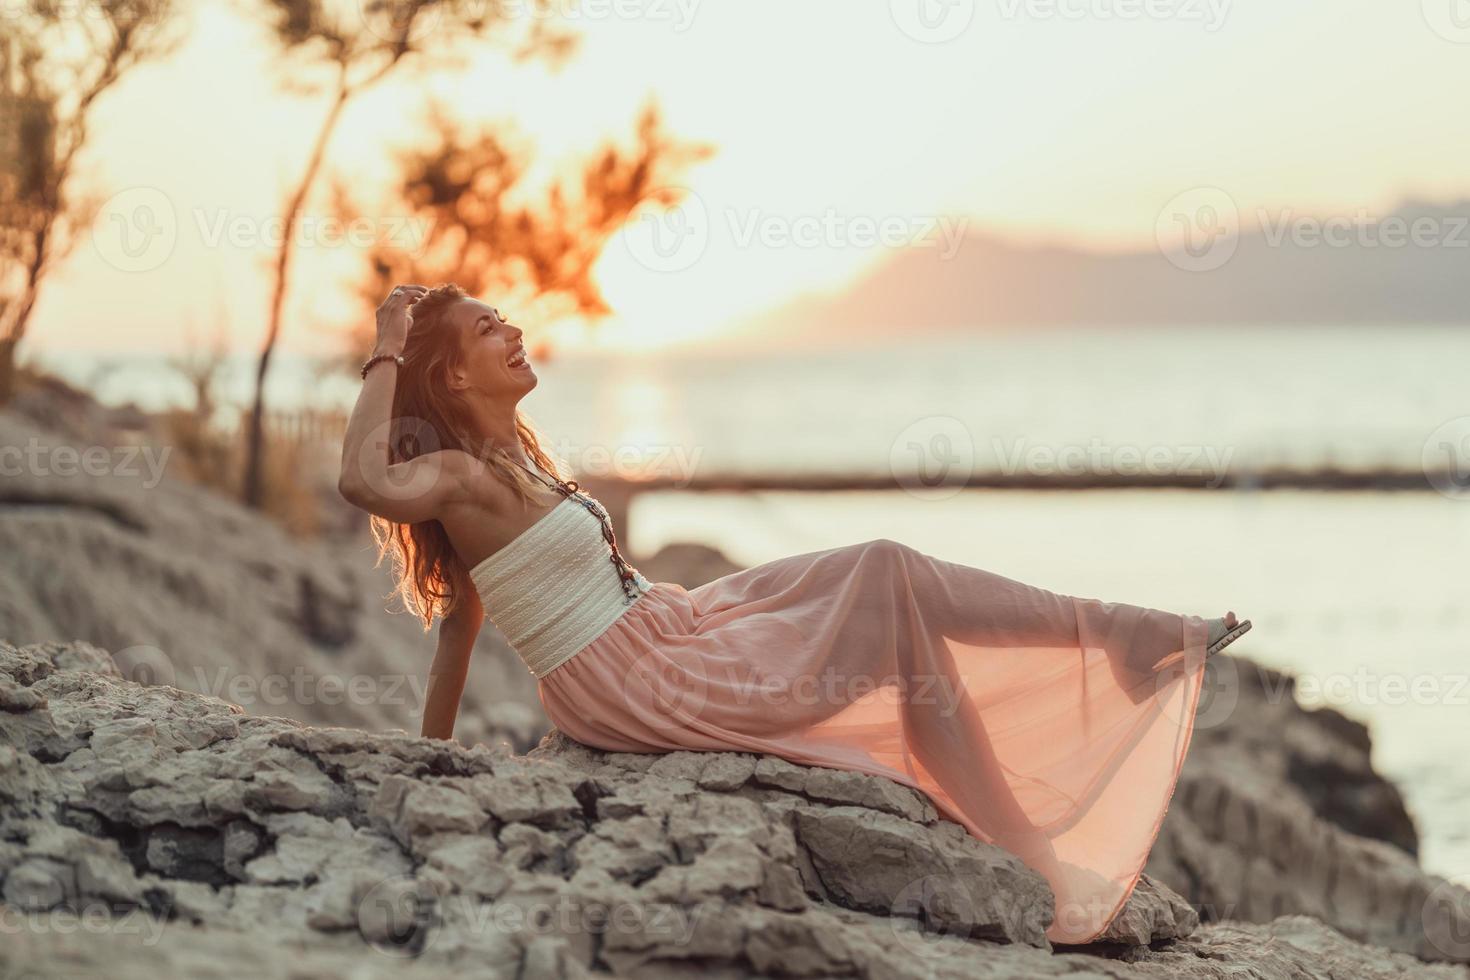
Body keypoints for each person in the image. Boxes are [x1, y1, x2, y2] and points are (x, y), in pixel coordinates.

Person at [338, 282, 1252, 945]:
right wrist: (389, 334)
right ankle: (1066, 756)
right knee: (893, 604)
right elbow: (361, 479)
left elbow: (458, 621)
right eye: (488, 328)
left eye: (504, 317)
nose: (513, 329)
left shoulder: (517, 462)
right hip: (638, 678)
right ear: (454, 379)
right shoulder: (456, 475)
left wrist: (436, 756)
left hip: (672, 623)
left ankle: (1055, 762)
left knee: (886, 575)